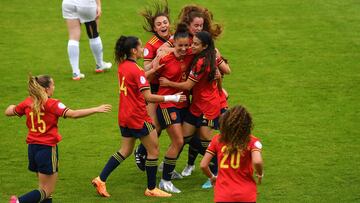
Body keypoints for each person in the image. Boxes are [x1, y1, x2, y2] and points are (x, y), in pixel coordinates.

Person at [91, 35, 186, 198]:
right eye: (140, 47)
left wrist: (153, 70)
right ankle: (151, 188)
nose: (143, 50)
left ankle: (101, 179)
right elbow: (148, 97)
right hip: (138, 117)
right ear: (134, 51)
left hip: (124, 116)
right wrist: (172, 98)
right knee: (153, 150)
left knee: (125, 150)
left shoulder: (123, 66)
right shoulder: (137, 71)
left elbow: (137, 78)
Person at [5, 74, 112, 203]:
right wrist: (96, 109)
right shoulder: (52, 104)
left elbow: (9, 111)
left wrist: (12, 106)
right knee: (47, 190)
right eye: (52, 85)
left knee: (43, 189)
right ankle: (18, 201)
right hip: (47, 150)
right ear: (46, 89)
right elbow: (74, 114)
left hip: (32, 149)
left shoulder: (28, 102)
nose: (54, 87)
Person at [159, 31, 221, 184]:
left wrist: (168, 83)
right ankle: (168, 173)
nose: (191, 46)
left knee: (205, 139)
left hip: (208, 106)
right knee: (184, 138)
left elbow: (188, 85)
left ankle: (216, 173)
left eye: (195, 44)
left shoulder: (201, 61)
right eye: (192, 43)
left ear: (204, 46)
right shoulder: (202, 56)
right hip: (196, 105)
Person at [153, 23, 195, 193]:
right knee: (178, 140)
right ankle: (165, 181)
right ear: (174, 44)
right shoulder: (165, 59)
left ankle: (166, 169)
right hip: (167, 103)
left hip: (184, 103)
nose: (184, 49)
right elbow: (149, 73)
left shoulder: (191, 55)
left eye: (187, 45)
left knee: (184, 138)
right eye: (180, 45)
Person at [134, 0, 172, 171]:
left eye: (165, 22)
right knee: (155, 125)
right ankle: (141, 151)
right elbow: (145, 69)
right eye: (159, 24)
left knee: (164, 124)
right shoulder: (151, 46)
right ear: (155, 28)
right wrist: (158, 59)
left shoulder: (175, 38)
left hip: (171, 87)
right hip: (154, 88)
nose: (163, 25)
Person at [200, 105, 264, 203]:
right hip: (246, 194)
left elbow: (203, 165)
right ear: (247, 124)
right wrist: (259, 173)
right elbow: (257, 161)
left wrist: (212, 177)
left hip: (223, 194)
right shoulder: (252, 141)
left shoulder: (217, 139)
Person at [62, 0, 112, 80]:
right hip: (86, 5)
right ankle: (99, 65)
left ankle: (75, 72)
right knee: (94, 34)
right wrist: (98, 5)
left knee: (73, 37)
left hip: (68, 3)